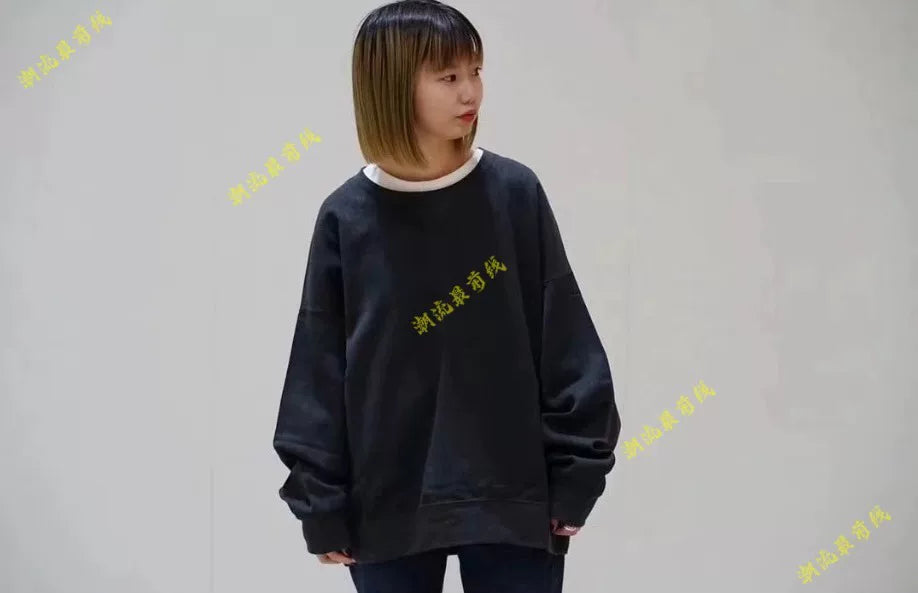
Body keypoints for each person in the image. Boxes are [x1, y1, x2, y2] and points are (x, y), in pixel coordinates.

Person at [272, 1, 622, 591]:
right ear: (391, 84)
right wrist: (321, 502)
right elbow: (318, 369)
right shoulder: (346, 218)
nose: (471, 92)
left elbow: (564, 341)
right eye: (449, 76)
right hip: (386, 505)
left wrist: (576, 476)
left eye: (476, 71)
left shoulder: (514, 193)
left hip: (513, 499)